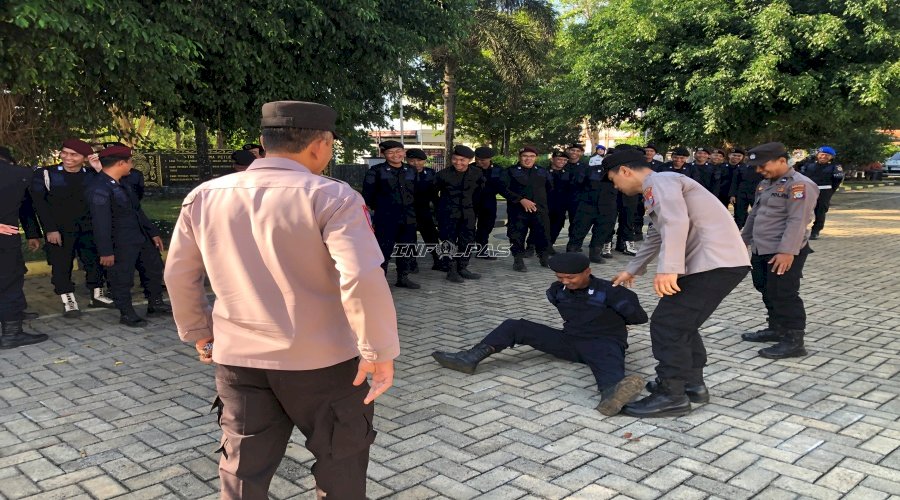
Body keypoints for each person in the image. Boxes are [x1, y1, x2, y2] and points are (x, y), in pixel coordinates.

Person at [165, 101, 399, 500]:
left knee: (243, 469)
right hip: (324, 363)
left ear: (263, 142)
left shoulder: (204, 196)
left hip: (239, 358)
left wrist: (200, 332)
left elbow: (178, 273)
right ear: (320, 146)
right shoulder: (333, 196)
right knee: (340, 462)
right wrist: (378, 349)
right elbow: (359, 275)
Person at [606, 149, 750, 417]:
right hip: (716, 263)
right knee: (682, 324)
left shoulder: (660, 182)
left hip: (713, 263)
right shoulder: (661, 186)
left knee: (668, 324)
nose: (615, 185)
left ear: (625, 171)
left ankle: (671, 395)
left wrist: (669, 269)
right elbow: (657, 235)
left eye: (613, 179)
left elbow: (675, 222)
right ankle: (691, 385)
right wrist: (632, 270)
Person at [432, 252, 647, 416]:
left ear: (587, 272)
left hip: (604, 342)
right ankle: (469, 358)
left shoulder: (613, 291)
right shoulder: (556, 291)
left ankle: (611, 395)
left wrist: (614, 322)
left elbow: (639, 317)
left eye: (570, 277)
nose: (565, 282)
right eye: (560, 277)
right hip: (569, 341)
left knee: (607, 356)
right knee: (515, 326)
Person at [740, 142, 819, 359]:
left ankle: (794, 341)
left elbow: (797, 221)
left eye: (763, 165)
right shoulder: (765, 184)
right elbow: (754, 215)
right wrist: (742, 240)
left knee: (784, 294)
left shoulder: (800, 185)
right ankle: (776, 328)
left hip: (783, 251)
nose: (759, 170)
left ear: (782, 161)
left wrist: (787, 252)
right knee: (764, 287)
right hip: (762, 247)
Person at [86, 145, 169, 326]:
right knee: (122, 278)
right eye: (129, 162)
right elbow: (100, 223)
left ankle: (155, 303)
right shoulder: (99, 188)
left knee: (152, 269)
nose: (131, 166)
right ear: (121, 163)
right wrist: (106, 251)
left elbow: (137, 210)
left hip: (140, 237)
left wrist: (152, 233)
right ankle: (127, 313)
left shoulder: (123, 183)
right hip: (120, 242)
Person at [30, 139, 112, 317]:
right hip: (59, 230)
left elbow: (110, 191)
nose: (67, 157)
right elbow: (40, 204)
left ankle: (97, 294)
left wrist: (98, 168)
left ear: (84, 158)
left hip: (88, 228)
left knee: (93, 261)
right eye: (64, 153)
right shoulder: (46, 174)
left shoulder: (91, 174)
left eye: (74, 155)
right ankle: (68, 299)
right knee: (61, 264)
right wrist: (50, 229)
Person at [0, 155, 47, 349]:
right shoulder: (21, 174)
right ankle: (11, 333)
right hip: (5, 240)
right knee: (9, 284)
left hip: (6, 239)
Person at [362, 140, 419, 288]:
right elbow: (368, 195)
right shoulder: (376, 171)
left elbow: (417, 193)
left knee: (405, 248)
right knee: (383, 250)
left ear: (404, 152)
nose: (396, 155)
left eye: (399, 151)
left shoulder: (411, 170)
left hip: (408, 217)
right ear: (383, 154)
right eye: (390, 152)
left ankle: (403, 277)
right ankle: (380, 282)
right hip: (386, 218)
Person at [500, 146, 553, 272]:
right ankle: (518, 260)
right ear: (519, 157)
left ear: (536, 158)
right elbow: (502, 189)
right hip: (518, 210)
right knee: (517, 235)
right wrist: (520, 200)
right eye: (525, 156)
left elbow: (550, 188)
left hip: (539, 209)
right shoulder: (510, 171)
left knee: (542, 233)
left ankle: (543, 257)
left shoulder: (542, 171)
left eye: (531, 156)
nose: (528, 159)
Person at [435, 145, 484, 283]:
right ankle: (451, 270)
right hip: (448, 214)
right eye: (455, 159)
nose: (458, 163)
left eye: (462, 160)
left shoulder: (477, 173)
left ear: (469, 160)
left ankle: (462, 267)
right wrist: (441, 208)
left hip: (468, 213)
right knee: (448, 242)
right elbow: (432, 195)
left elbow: (479, 193)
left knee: (467, 241)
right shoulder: (442, 175)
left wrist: (472, 208)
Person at [567, 148, 618, 264]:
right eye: (607, 157)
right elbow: (578, 184)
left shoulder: (621, 175)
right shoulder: (591, 170)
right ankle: (572, 251)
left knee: (602, 231)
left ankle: (595, 253)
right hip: (587, 206)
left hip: (607, 207)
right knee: (579, 229)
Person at [798, 146, 843, 239]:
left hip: (824, 191)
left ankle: (815, 231)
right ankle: (800, 230)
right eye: (821, 154)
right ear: (817, 155)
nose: (823, 157)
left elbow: (837, 180)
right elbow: (800, 176)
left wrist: (830, 191)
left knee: (820, 211)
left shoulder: (835, 167)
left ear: (831, 157)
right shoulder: (809, 164)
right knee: (803, 211)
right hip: (808, 190)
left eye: (827, 155)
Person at [406, 148, 440, 273]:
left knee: (431, 235)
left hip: (424, 209)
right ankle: (411, 263)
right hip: (407, 209)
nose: (416, 163)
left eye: (419, 160)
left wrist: (438, 209)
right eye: (412, 161)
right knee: (409, 237)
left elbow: (435, 193)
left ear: (424, 161)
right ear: (407, 161)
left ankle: (437, 260)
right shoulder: (403, 172)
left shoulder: (430, 173)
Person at [472, 146, 502, 260]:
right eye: (477, 159)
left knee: (486, 227)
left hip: (489, 202)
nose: (479, 162)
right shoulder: (470, 168)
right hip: (471, 201)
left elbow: (504, 187)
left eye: (483, 160)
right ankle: (465, 250)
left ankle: (482, 251)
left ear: (490, 159)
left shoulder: (498, 170)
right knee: (468, 227)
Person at [547, 150, 576, 251]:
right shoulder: (543, 172)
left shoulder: (568, 174)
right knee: (541, 226)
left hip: (561, 205)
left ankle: (549, 245)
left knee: (557, 225)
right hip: (546, 204)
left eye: (564, 160)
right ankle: (531, 246)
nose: (562, 161)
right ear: (552, 159)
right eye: (559, 159)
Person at [728, 148, 762, 228]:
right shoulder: (741, 166)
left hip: (756, 192)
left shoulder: (761, 167)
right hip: (741, 193)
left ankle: (757, 230)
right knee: (739, 213)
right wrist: (732, 195)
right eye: (748, 155)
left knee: (757, 212)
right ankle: (738, 230)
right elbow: (735, 181)